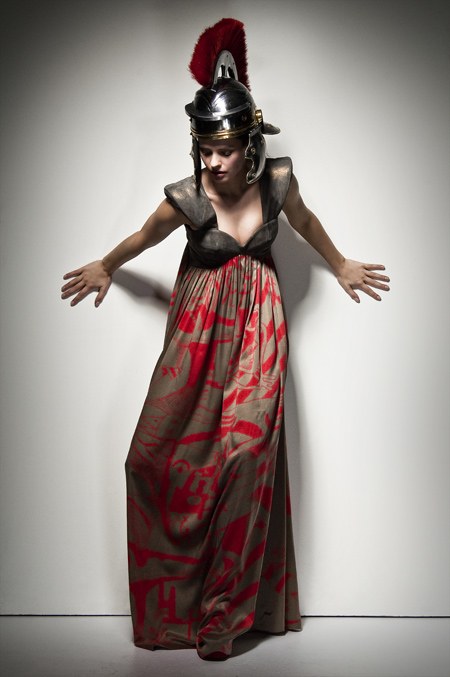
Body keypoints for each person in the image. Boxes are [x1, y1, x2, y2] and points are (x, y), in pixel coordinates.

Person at [61, 18, 390, 661]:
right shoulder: (187, 197)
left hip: (260, 321)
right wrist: (106, 265)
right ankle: (174, 610)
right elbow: (143, 237)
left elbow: (306, 222)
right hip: (198, 324)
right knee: (148, 458)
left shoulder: (279, 183)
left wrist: (341, 263)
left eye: (224, 149)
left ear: (251, 145)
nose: (213, 161)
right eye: (205, 149)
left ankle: (225, 616)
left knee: (246, 455)